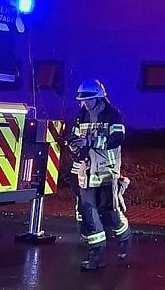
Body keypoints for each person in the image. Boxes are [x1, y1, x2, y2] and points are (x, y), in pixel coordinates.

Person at [66, 78, 131, 271]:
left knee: (109, 212)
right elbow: (77, 137)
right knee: (88, 211)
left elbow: (117, 139)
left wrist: (90, 142)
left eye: (89, 100)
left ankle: (125, 237)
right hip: (86, 171)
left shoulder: (113, 115)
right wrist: (74, 145)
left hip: (107, 172)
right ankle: (97, 254)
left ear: (99, 97)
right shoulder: (81, 115)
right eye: (82, 100)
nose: (85, 103)